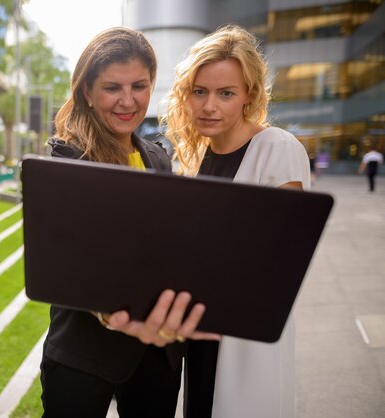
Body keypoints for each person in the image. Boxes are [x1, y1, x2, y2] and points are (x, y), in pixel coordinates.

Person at [41, 27, 219, 418]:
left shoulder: (156, 157)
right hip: (84, 355)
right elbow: (67, 261)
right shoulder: (67, 160)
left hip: (157, 356)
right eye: (111, 88)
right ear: (86, 91)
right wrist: (108, 314)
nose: (128, 101)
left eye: (139, 86)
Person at [162, 25, 311, 418]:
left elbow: (286, 260)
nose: (209, 106)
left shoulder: (276, 148)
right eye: (200, 91)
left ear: (249, 95)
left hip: (247, 338)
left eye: (225, 93)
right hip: (200, 331)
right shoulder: (196, 162)